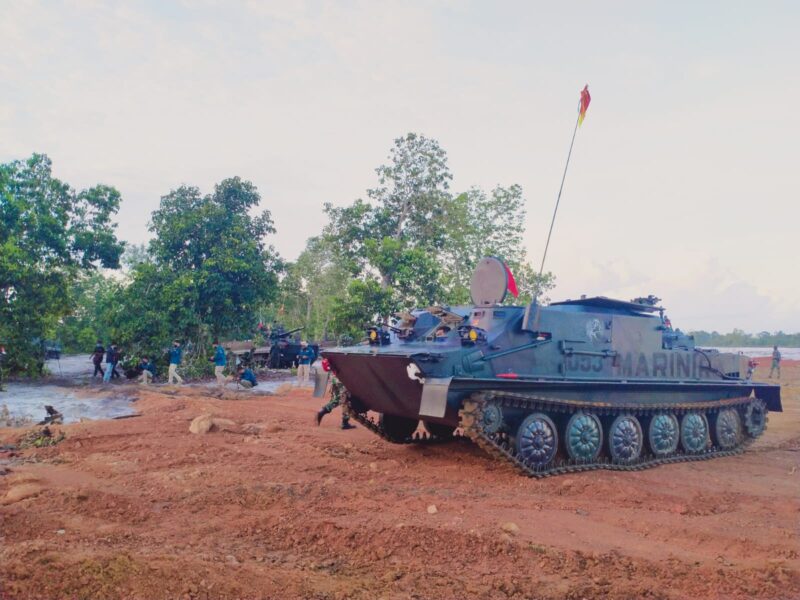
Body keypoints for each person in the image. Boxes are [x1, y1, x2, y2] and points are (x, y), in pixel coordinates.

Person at [315, 360, 355, 430]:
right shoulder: (344, 353)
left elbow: (326, 366)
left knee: (338, 399)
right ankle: (344, 423)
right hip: (341, 378)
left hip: (334, 377)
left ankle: (323, 411)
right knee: (346, 399)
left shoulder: (334, 353)